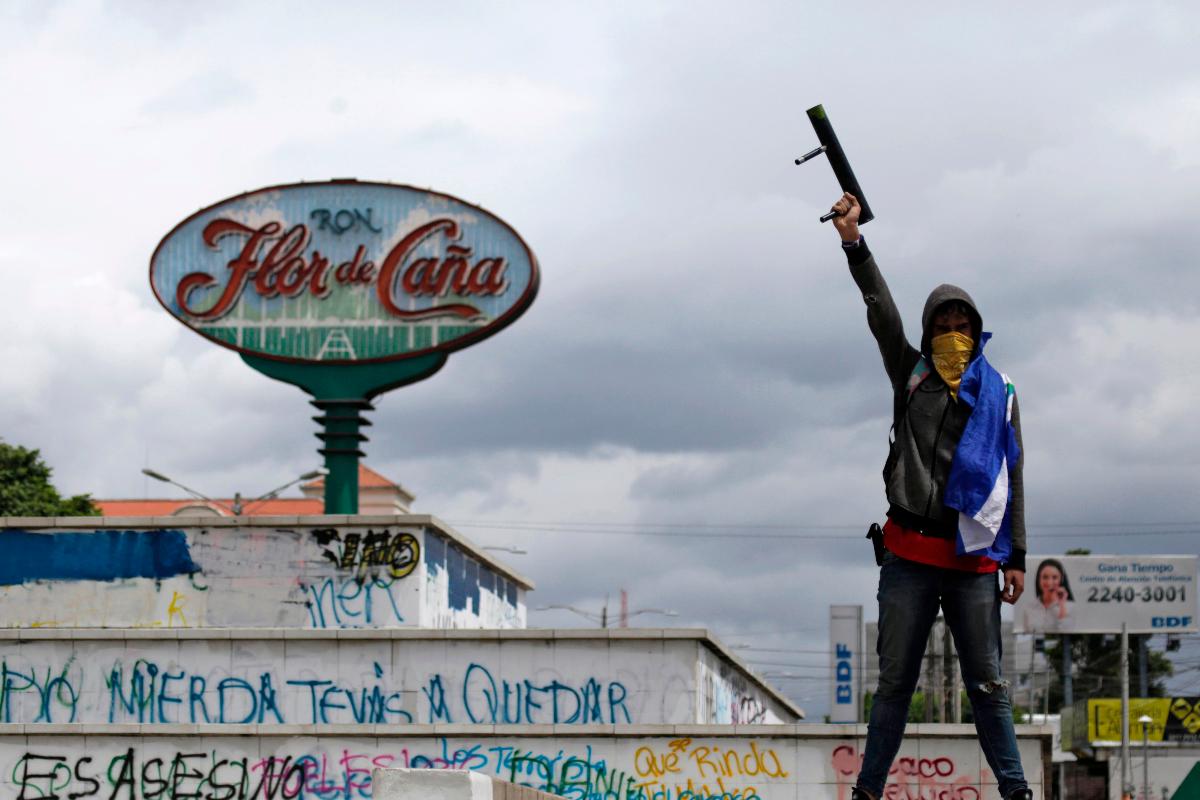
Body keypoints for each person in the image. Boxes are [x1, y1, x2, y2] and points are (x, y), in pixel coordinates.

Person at [829, 192, 1032, 800]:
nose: (952, 335)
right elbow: (880, 310)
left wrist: (1017, 555)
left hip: (972, 561)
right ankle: (868, 791)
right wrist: (852, 243)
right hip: (908, 555)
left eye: (961, 326)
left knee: (988, 686)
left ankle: (1017, 792)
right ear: (928, 332)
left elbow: (1013, 475)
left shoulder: (1002, 395)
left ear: (977, 329)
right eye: (942, 327)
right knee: (894, 685)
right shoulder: (910, 373)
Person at [1020, 558, 1075, 632]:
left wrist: (1062, 605)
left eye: (1055, 577)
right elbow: (1026, 635)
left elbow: (1067, 632)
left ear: (1061, 579)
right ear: (1039, 579)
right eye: (1045, 577)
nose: (1049, 582)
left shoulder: (1071, 607)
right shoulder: (1029, 608)